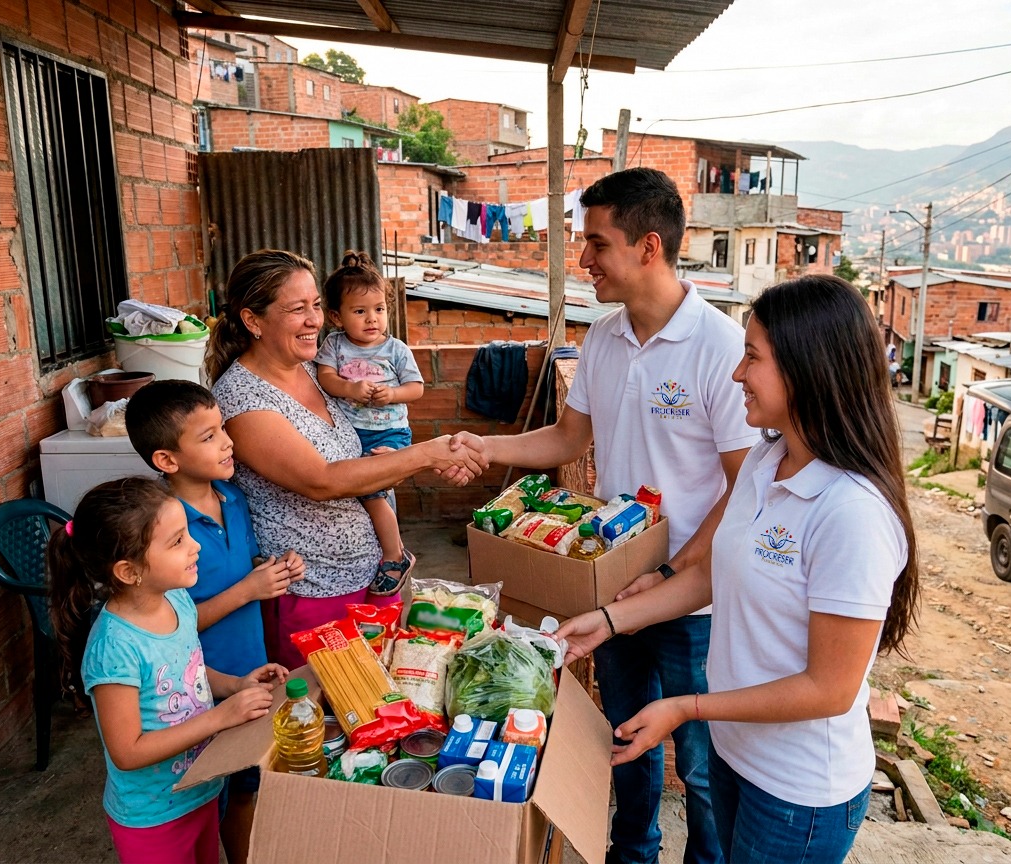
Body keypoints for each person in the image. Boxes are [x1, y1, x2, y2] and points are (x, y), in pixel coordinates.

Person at [558, 274, 920, 864]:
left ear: (808, 371)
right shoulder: (766, 459)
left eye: (752, 358)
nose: (736, 374)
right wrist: (608, 620)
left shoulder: (852, 512)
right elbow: (711, 577)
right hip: (736, 753)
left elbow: (830, 689)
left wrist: (686, 707)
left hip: (798, 793)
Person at [451, 167, 754, 864]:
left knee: (702, 766)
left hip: (693, 603)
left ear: (649, 248)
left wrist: (674, 571)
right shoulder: (605, 336)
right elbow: (566, 439)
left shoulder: (720, 348)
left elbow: (743, 489)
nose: (584, 260)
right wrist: (482, 444)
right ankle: (632, 854)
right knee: (624, 738)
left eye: (596, 243)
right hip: (611, 584)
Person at [205, 248, 486, 669]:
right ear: (252, 320)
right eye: (297, 309)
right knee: (324, 714)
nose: (314, 319)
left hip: (369, 574)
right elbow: (322, 479)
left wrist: (406, 459)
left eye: (316, 305)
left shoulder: (313, 370)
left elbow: (361, 455)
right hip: (311, 590)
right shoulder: (242, 398)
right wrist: (425, 454)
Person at [48, 477, 288, 864]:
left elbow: (187, 666)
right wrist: (219, 719)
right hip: (153, 816)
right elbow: (127, 751)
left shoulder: (176, 599)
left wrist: (235, 685)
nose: (194, 547)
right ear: (129, 572)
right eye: (177, 541)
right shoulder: (115, 647)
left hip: (202, 788)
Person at [124, 380, 303, 864]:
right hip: (195, 688)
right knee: (206, 792)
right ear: (167, 460)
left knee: (247, 783)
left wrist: (273, 568)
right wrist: (249, 589)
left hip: (248, 666)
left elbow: (241, 567)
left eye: (223, 427)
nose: (227, 441)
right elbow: (168, 622)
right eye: (208, 437)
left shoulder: (232, 498)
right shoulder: (163, 529)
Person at [315, 251, 424, 596]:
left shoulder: (396, 350)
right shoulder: (334, 344)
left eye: (379, 309)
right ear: (336, 316)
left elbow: (416, 388)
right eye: (360, 311)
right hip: (348, 434)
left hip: (389, 432)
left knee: (374, 491)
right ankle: (380, 551)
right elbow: (325, 378)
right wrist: (350, 388)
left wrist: (391, 396)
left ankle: (395, 556)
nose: (372, 319)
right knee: (362, 494)